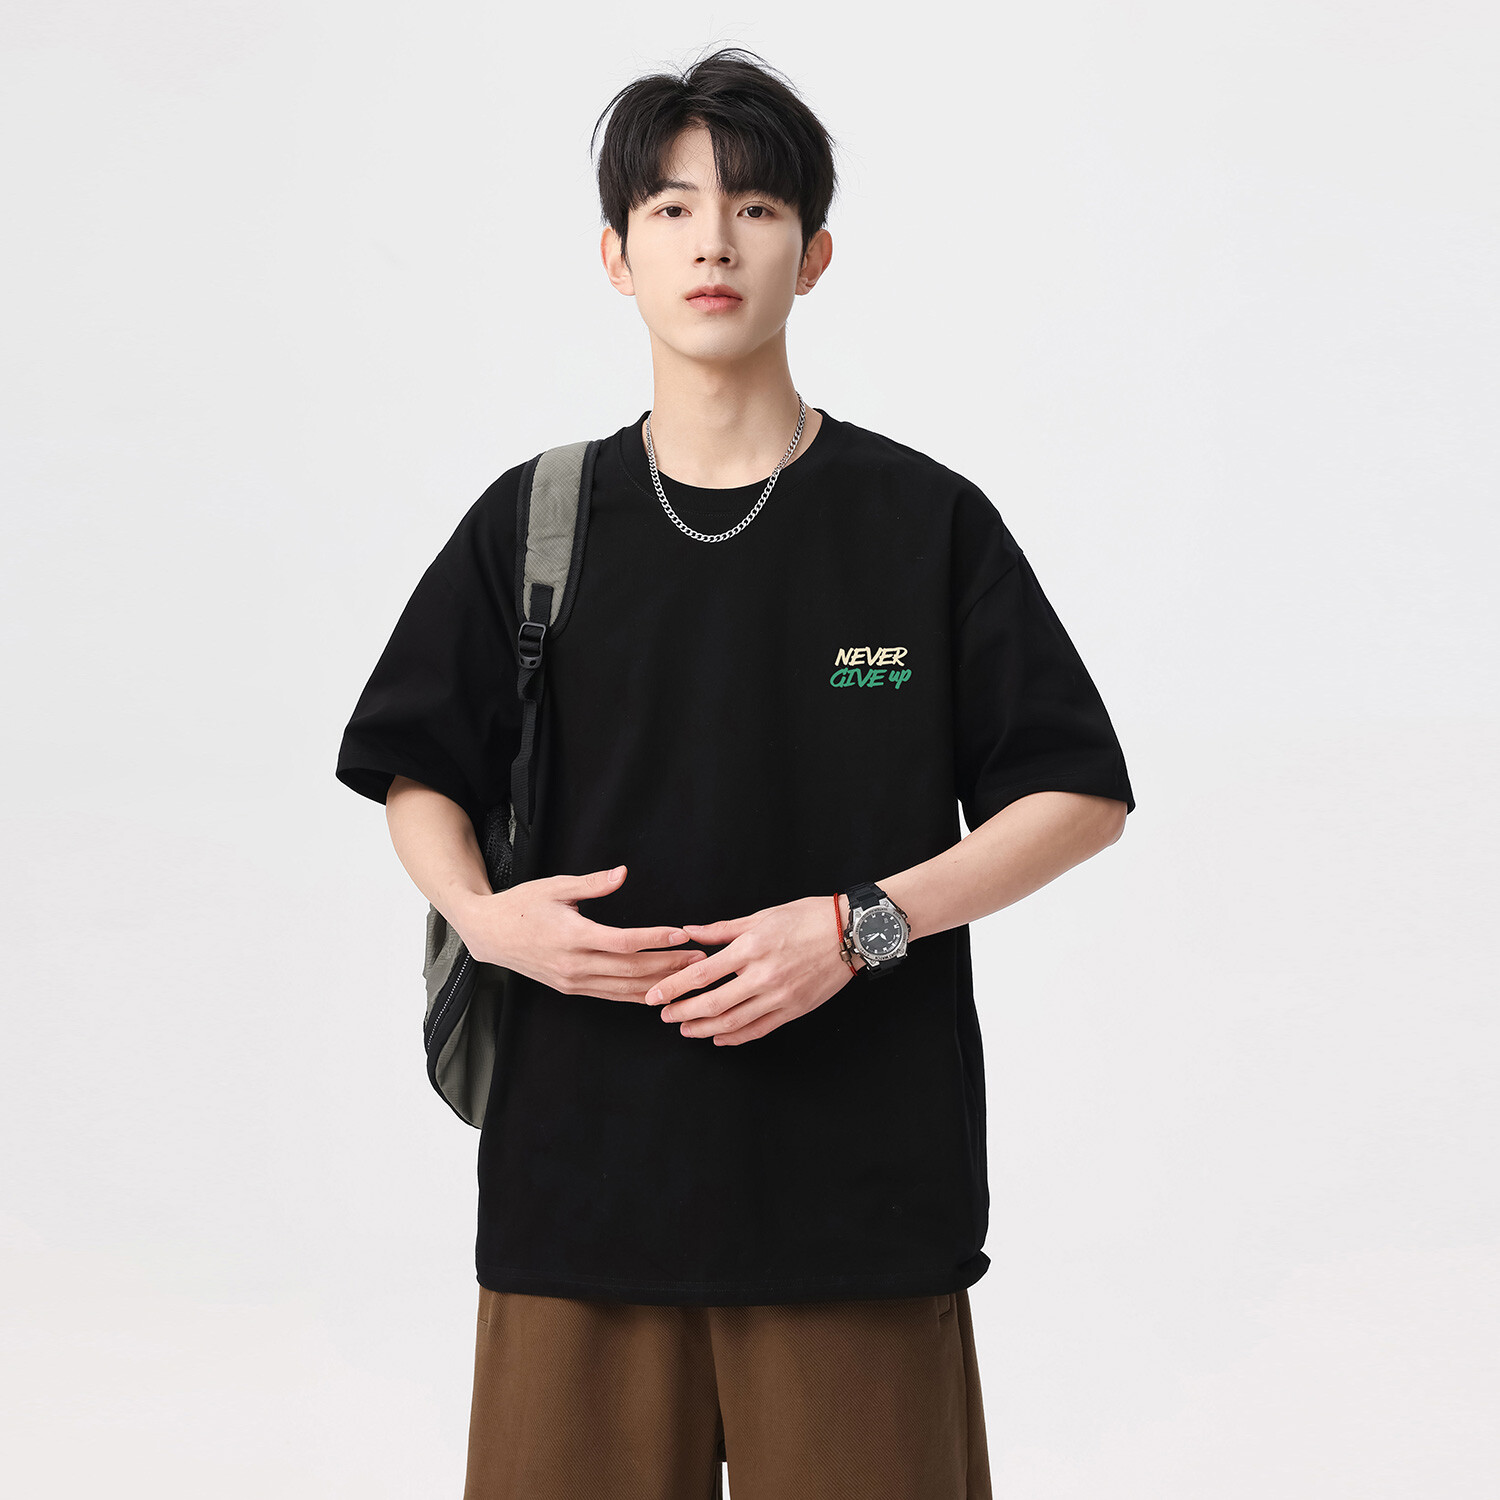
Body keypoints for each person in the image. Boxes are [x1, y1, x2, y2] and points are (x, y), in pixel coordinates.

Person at [335, 46, 1135, 1500]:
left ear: (814, 256)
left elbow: (1076, 794)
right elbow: (416, 768)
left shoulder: (922, 522)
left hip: (857, 1202)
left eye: (757, 208)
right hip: (580, 1192)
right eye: (672, 208)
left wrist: (859, 925)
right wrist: (488, 919)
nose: (714, 241)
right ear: (617, 256)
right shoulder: (537, 521)